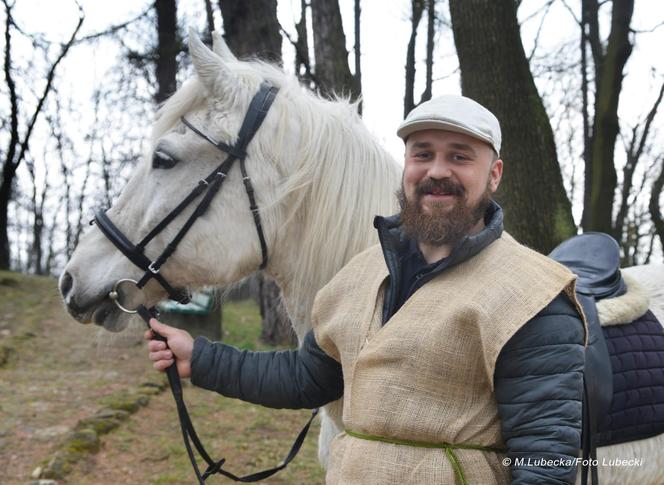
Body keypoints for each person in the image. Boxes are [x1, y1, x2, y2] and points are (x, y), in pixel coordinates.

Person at [145, 95, 586, 484]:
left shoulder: (530, 295)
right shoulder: (361, 274)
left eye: (460, 157)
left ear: (494, 174)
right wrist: (198, 358)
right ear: (406, 166)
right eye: (423, 154)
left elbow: (545, 461)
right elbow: (305, 378)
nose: (437, 171)